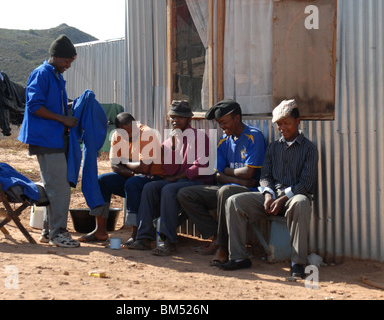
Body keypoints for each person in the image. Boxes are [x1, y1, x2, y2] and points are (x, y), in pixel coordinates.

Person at [219, 99, 319, 279]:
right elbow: (265, 177)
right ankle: (239, 257)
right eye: (279, 124)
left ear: (298, 121)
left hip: (294, 198)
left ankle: (297, 262)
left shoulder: (309, 149)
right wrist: (267, 195)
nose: (282, 128)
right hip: (271, 197)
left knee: (301, 203)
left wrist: (283, 198)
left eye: (287, 123)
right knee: (234, 202)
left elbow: (306, 184)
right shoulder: (273, 148)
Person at [177, 99, 266, 266]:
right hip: (229, 188)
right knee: (186, 194)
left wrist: (228, 173)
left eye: (224, 122)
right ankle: (216, 236)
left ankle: (223, 248)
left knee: (225, 190)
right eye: (219, 123)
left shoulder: (254, 136)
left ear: (237, 118)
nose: (222, 126)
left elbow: (250, 173)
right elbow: (217, 174)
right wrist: (235, 177)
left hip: (250, 191)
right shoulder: (223, 140)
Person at [128, 101, 215, 255]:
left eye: (180, 117)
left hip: (199, 182)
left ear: (189, 119)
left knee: (168, 189)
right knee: (149, 187)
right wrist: (174, 147)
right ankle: (144, 238)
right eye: (172, 118)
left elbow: (200, 167)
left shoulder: (200, 137)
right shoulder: (169, 142)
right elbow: (169, 170)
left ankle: (168, 241)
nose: (175, 121)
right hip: (179, 181)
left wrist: (176, 177)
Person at [18, 34, 80, 248]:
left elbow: (55, 104)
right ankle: (58, 232)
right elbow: (35, 106)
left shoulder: (54, 74)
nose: (68, 66)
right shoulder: (42, 74)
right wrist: (63, 118)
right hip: (46, 138)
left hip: (55, 137)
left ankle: (48, 230)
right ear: (55, 57)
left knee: (54, 186)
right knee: (60, 188)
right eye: (66, 62)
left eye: (71, 62)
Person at [77, 112, 165, 244]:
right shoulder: (117, 136)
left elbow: (144, 169)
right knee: (102, 181)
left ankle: (136, 233)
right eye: (126, 133)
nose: (130, 136)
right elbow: (114, 165)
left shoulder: (148, 134)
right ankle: (100, 231)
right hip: (133, 176)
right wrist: (131, 172)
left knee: (132, 183)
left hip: (155, 178)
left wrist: (124, 162)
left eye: (132, 132)